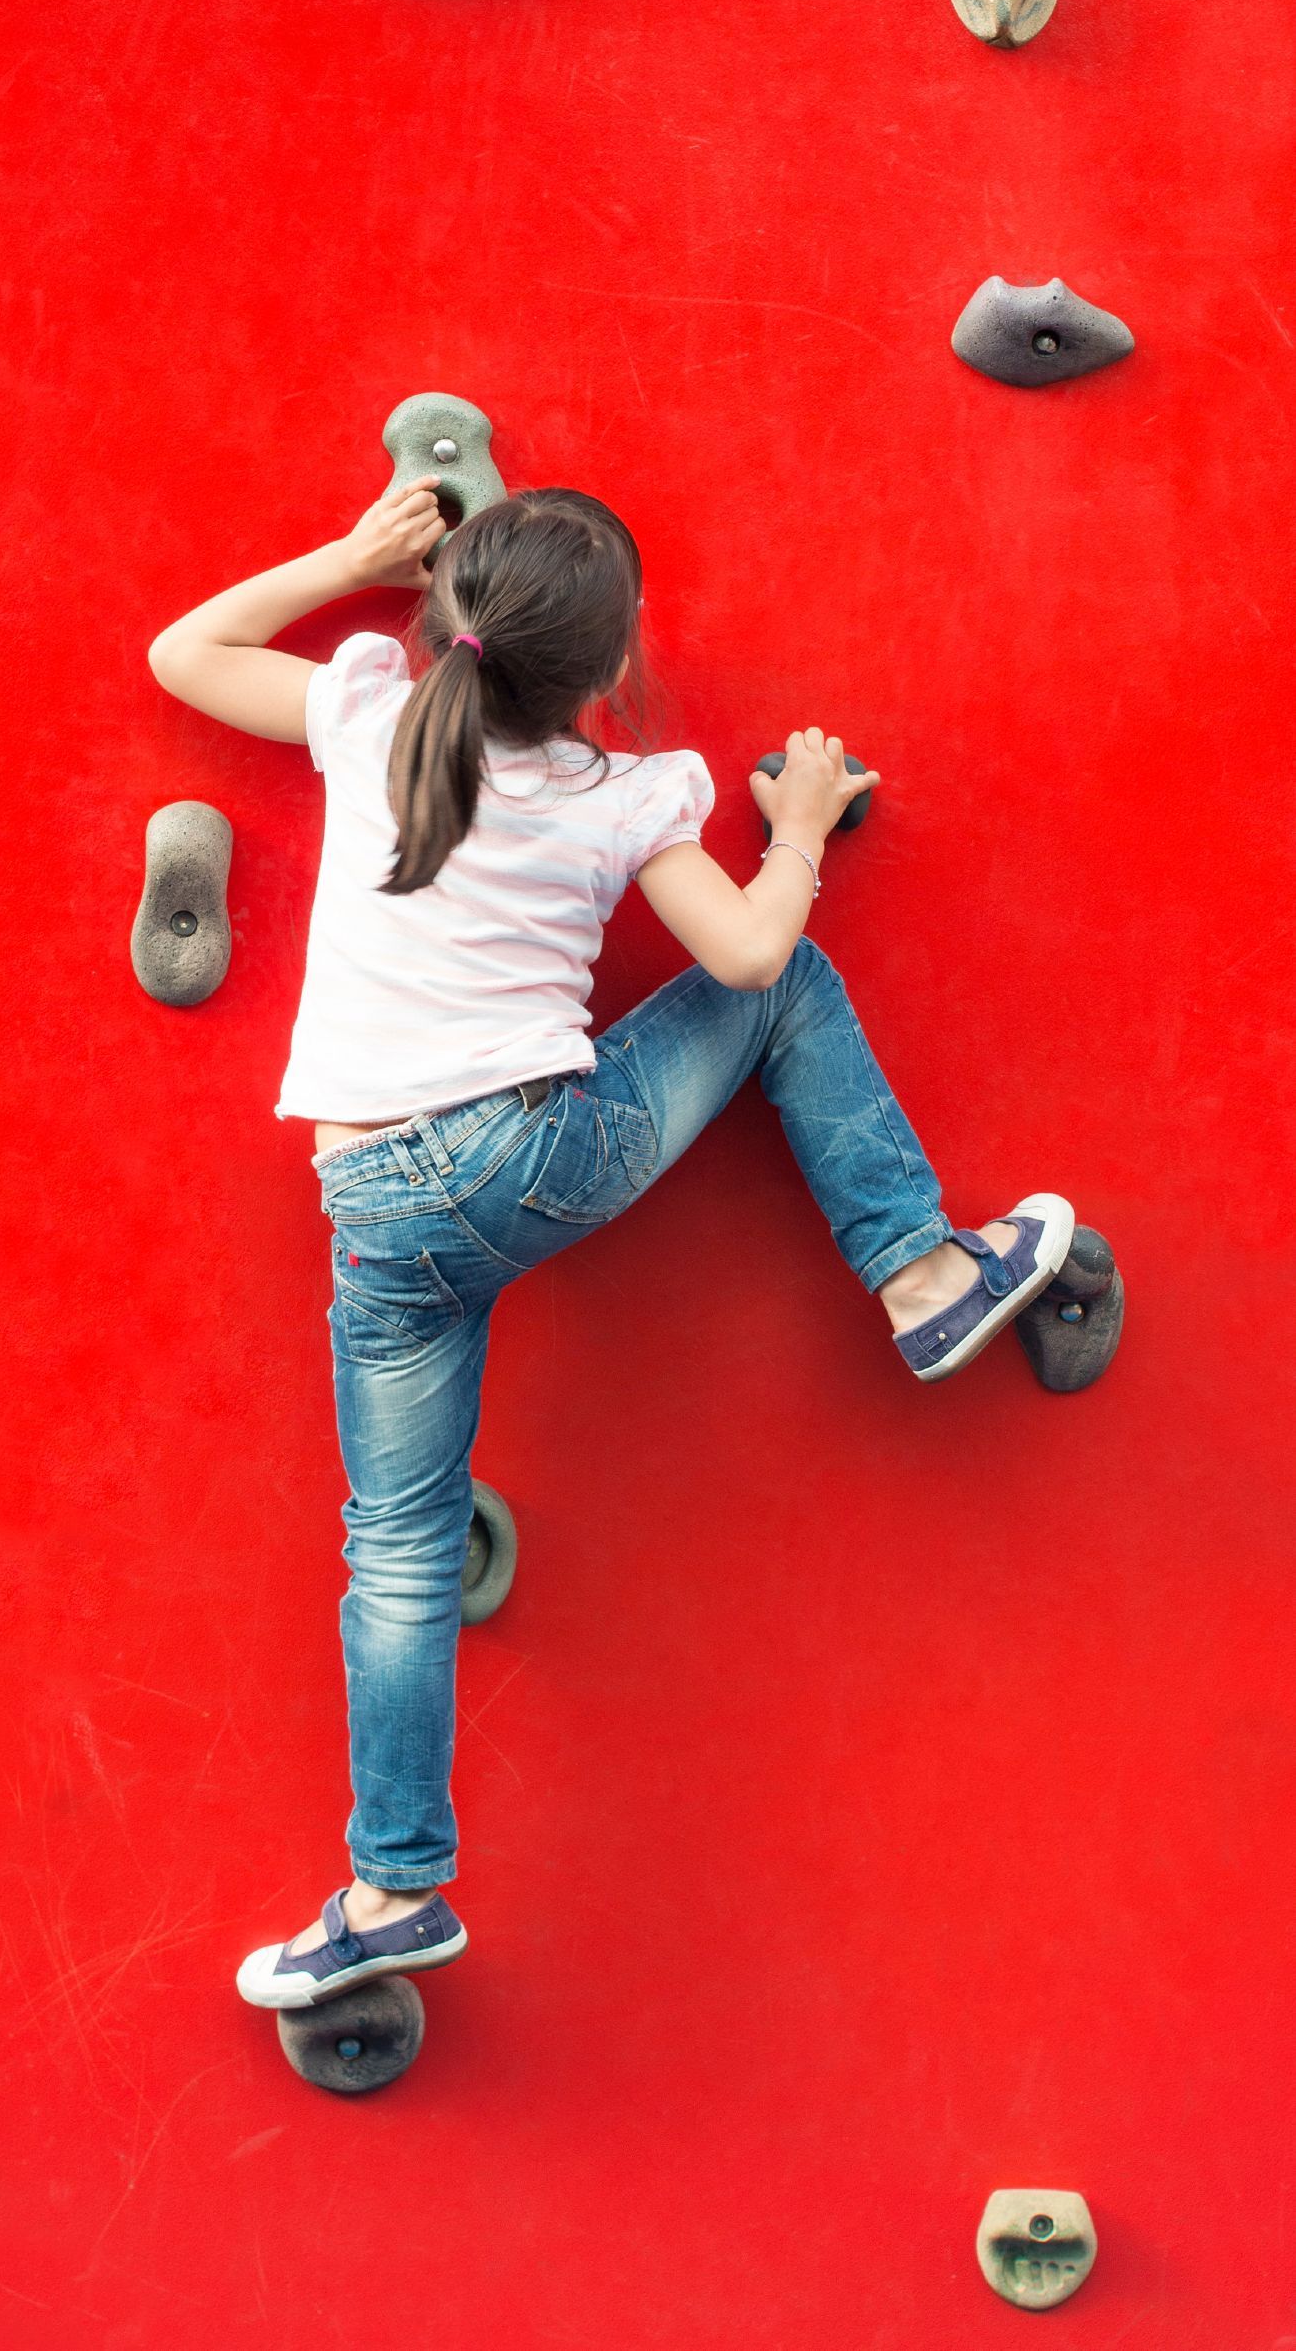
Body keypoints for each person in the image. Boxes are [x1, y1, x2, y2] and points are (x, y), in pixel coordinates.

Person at [147, 480, 1073, 2013]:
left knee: (395, 1550)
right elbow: (751, 953)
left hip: (374, 1208)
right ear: (608, 664)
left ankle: (394, 1887)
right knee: (788, 988)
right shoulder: (618, 792)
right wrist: (792, 833)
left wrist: (352, 559)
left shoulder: (373, 713)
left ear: (448, 621)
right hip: (529, 1159)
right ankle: (921, 1272)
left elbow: (187, 652)